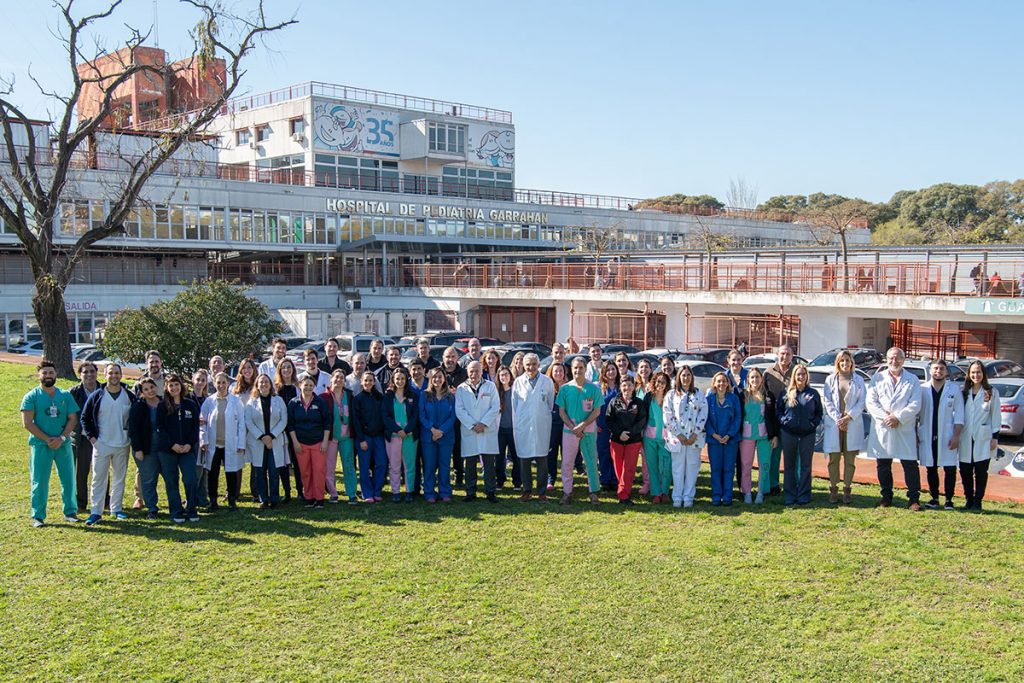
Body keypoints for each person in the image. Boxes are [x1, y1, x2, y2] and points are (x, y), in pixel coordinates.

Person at [21, 360, 82, 527]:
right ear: (39, 375)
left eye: (51, 373)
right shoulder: (31, 396)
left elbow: (73, 419)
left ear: (56, 375)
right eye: (45, 373)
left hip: (63, 444)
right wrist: (47, 439)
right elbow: (27, 423)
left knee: (68, 479)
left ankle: (70, 512)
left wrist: (62, 437)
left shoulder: (65, 395)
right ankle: (38, 516)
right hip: (41, 446)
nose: (48, 375)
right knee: (39, 481)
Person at [866, 347, 923, 510]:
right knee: (883, 463)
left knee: (910, 464)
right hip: (884, 426)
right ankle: (886, 496)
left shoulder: (912, 380)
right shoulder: (877, 378)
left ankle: (913, 499)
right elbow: (871, 402)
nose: (894, 361)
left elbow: (915, 404)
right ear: (887, 360)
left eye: (898, 358)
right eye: (891, 358)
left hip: (904, 426)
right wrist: (887, 417)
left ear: (903, 360)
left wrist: (897, 417)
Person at [80, 363, 134, 525]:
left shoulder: (129, 396)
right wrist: (93, 439)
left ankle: (116, 509)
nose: (114, 376)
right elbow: (85, 418)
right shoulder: (97, 396)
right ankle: (96, 511)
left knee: (119, 478)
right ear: (105, 375)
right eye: (110, 373)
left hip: (122, 443)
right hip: (101, 444)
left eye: (117, 373)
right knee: (98, 478)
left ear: (121, 374)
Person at [916, 360, 964, 510]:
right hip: (927, 433)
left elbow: (959, 415)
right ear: (930, 370)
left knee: (949, 467)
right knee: (931, 467)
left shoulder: (954, 389)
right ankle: (934, 498)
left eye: (942, 369)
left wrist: (956, 435)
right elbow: (916, 414)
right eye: (935, 368)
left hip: (947, 434)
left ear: (946, 372)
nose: (938, 371)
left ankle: (949, 499)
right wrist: (915, 433)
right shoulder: (922, 389)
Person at [821, 351, 867, 504]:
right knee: (833, 459)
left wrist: (848, 417)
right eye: (842, 361)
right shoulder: (830, 379)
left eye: (847, 360)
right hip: (835, 423)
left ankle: (847, 490)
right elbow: (827, 401)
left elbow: (862, 402)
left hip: (851, 423)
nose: (845, 364)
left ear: (851, 362)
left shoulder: (859, 380)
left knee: (849, 459)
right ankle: (833, 489)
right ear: (838, 363)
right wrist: (839, 419)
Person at [556, 356, 603, 505]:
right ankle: (567, 492)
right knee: (567, 462)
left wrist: (582, 425)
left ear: (585, 369)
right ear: (571, 369)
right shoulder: (565, 389)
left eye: (581, 367)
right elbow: (562, 411)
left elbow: (596, 411)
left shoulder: (593, 388)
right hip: (570, 431)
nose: (578, 370)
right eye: (575, 367)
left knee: (590, 462)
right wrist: (572, 427)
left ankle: (593, 492)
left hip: (587, 431)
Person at [155, 374, 201, 523]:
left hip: (187, 450)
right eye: (171, 385)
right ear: (167, 388)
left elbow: (195, 427)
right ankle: (176, 511)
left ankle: (192, 509)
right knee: (171, 480)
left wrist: (188, 444)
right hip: (168, 451)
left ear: (181, 386)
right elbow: (160, 428)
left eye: (176, 384)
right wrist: (172, 445)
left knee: (190, 479)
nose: (174, 388)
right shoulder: (162, 406)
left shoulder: (190, 404)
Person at [511, 353, 555, 502]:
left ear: (538, 365)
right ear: (524, 365)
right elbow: (514, 407)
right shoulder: (518, 382)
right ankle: (527, 491)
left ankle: (542, 492)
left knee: (542, 460)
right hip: (523, 426)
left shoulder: (547, 382)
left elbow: (550, 404)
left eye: (534, 364)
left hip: (541, 425)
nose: (531, 367)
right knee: (524, 460)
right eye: (528, 364)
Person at [200, 372, 247, 511]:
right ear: (214, 384)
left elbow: (241, 424)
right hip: (213, 444)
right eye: (218, 383)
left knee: (231, 472)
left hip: (230, 443)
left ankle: (232, 500)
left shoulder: (235, 401)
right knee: (212, 473)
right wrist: (204, 439)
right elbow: (202, 422)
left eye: (223, 383)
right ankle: (213, 501)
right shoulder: (209, 401)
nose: (221, 385)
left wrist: (241, 443)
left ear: (228, 384)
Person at [455, 361, 501, 503]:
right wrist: (473, 425)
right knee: (469, 464)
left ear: (482, 372)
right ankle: (470, 491)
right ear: (467, 372)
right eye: (471, 371)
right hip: (470, 430)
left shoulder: (490, 386)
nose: (474, 374)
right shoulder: (461, 389)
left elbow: (495, 406)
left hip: (486, 430)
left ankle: (490, 491)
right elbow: (459, 410)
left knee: (488, 464)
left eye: (477, 371)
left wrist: (483, 423)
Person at [777, 365, 823, 506]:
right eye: (798, 374)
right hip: (788, 433)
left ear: (807, 376)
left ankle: (803, 494)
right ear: (794, 376)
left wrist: (811, 425)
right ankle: (790, 494)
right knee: (789, 465)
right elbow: (778, 411)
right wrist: (785, 422)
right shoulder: (786, 393)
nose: (801, 377)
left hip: (807, 435)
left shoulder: (813, 394)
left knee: (805, 466)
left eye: (803, 374)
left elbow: (819, 413)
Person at [959, 360, 1000, 512]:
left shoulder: (991, 392)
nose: (976, 375)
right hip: (965, 437)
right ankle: (968, 500)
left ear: (984, 374)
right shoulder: (963, 392)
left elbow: (995, 415)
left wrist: (995, 437)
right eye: (973, 372)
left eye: (979, 372)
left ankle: (978, 502)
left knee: (981, 472)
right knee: (965, 471)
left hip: (983, 437)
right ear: (969, 375)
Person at [665, 366, 708, 508]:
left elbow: (703, 414)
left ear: (692, 377)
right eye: (683, 375)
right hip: (678, 439)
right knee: (677, 469)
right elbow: (668, 415)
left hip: (694, 438)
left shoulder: (699, 394)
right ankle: (677, 497)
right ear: (678, 377)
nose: (686, 378)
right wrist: (679, 434)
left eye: (688, 375)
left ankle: (689, 497)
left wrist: (695, 433)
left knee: (692, 467)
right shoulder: (671, 395)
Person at [287, 375, 331, 509]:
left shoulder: (320, 402)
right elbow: (290, 424)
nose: (308, 387)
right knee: (305, 471)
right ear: (300, 385)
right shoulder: (293, 403)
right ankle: (309, 497)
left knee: (318, 471)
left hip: (318, 442)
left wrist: (324, 442)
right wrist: (295, 442)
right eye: (305, 385)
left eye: (311, 385)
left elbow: (327, 423)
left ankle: (319, 498)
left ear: (314, 387)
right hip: (300, 443)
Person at [246, 373, 288, 509]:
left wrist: (271, 435)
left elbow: (284, 420)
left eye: (266, 382)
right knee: (260, 472)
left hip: (275, 440)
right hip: (258, 441)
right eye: (261, 382)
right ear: (257, 386)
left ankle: (274, 499)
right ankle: (263, 499)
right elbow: (249, 422)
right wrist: (262, 436)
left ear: (270, 385)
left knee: (274, 471)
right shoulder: (251, 402)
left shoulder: (278, 400)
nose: (263, 384)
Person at [606, 375, 646, 505]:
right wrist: (619, 433)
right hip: (617, 440)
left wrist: (630, 433)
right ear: (620, 386)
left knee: (628, 468)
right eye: (624, 385)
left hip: (633, 441)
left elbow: (642, 421)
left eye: (629, 385)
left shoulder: (638, 403)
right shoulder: (614, 402)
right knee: (619, 469)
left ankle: (623, 495)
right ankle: (623, 490)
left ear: (634, 387)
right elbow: (609, 419)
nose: (627, 388)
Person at [739, 368, 777, 505]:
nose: (755, 380)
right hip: (746, 436)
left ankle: (761, 492)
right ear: (748, 379)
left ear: (762, 379)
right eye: (752, 377)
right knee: (746, 465)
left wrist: (775, 436)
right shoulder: (743, 395)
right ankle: (747, 492)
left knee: (764, 464)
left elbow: (773, 418)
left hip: (764, 436)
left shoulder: (768, 396)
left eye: (757, 377)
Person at [420, 368, 457, 503]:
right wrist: (432, 430)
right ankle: (429, 492)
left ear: (444, 379)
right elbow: (421, 415)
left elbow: (453, 416)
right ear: (430, 379)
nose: (437, 380)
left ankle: (445, 491)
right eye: (434, 377)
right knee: (429, 466)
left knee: (444, 466)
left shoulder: (450, 396)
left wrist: (441, 431)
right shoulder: (424, 395)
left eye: (440, 377)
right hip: (428, 436)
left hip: (446, 436)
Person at [127, 378, 163, 519]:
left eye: (152, 387)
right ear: (142, 393)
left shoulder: (164, 403)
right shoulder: (138, 406)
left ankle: (175, 505)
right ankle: (152, 508)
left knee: (170, 476)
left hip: (164, 446)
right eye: (146, 389)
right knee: (148, 479)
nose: (150, 391)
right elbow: (133, 429)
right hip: (146, 447)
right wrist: (138, 449)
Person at [763, 344, 796, 495]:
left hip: (791, 419)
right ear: (777, 355)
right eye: (782, 353)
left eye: (788, 354)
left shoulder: (796, 372)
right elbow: (762, 394)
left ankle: (792, 485)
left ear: (792, 356)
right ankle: (773, 484)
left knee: (791, 456)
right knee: (774, 455)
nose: (784, 357)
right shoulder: (768, 373)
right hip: (773, 420)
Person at [69, 361, 102, 512]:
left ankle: (105, 501)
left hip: (102, 437)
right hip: (81, 438)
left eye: (92, 371)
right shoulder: (73, 393)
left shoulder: (104, 389)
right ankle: (81, 503)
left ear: (96, 373)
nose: (89, 375)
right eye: (85, 372)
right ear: (80, 375)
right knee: (81, 472)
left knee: (102, 471)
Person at [382, 366, 419, 502]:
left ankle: (409, 491)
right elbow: (385, 416)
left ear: (406, 380)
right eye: (397, 378)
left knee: (409, 465)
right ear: (393, 379)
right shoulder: (387, 396)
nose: (400, 381)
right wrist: (398, 430)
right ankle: (396, 492)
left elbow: (415, 415)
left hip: (409, 436)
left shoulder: (413, 396)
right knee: (394, 465)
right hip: (393, 437)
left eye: (403, 378)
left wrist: (407, 430)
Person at [321, 369, 357, 504]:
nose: (339, 380)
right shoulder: (324, 397)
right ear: (331, 379)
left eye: (342, 377)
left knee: (349, 465)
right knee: (329, 467)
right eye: (336, 377)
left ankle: (352, 494)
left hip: (347, 436)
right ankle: (333, 493)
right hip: (331, 437)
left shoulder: (349, 395)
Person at [706, 372, 742, 506]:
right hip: (714, 440)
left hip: (730, 440)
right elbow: (706, 419)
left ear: (728, 383)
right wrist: (714, 434)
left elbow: (738, 418)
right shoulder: (709, 399)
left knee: (728, 469)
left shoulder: (733, 399)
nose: (721, 384)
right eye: (718, 381)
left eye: (724, 381)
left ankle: (727, 496)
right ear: (714, 383)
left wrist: (729, 434)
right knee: (715, 468)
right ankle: (716, 496)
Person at [352, 371, 388, 502]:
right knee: (364, 466)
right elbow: (356, 421)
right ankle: (367, 493)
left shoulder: (380, 398)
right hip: (364, 438)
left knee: (381, 463)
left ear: (374, 382)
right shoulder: (357, 399)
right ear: (361, 382)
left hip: (379, 437)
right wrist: (361, 439)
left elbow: (384, 417)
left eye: (370, 380)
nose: (368, 383)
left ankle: (377, 490)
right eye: (365, 380)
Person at [643, 372, 672, 504]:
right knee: (652, 465)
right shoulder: (649, 397)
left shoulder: (670, 397)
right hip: (649, 437)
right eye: (658, 381)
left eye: (663, 382)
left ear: (667, 384)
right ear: (654, 382)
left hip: (666, 437)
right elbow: (643, 416)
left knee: (666, 466)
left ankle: (665, 491)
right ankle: (656, 493)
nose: (660, 384)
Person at [441, 346, 469, 486]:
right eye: (447, 357)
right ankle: (441, 476)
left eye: (453, 357)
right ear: (443, 358)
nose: (450, 359)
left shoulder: (464, 374)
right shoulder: (437, 372)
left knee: (458, 448)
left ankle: (459, 476)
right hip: (441, 417)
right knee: (441, 448)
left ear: (457, 358)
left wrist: (459, 393)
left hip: (459, 418)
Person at [274, 358, 301, 502]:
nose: (286, 370)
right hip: (280, 430)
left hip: (296, 429)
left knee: (297, 461)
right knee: (283, 462)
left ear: (293, 369)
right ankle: (287, 492)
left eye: (289, 367)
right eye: (283, 367)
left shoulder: (298, 387)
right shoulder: (276, 388)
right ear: (279, 370)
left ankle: (300, 491)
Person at [233, 358, 258, 500]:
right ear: (241, 371)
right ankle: (234, 492)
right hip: (238, 429)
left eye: (250, 367)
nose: (247, 370)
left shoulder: (258, 386)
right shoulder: (234, 388)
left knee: (255, 461)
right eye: (244, 368)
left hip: (254, 428)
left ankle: (256, 491)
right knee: (237, 460)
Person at [188, 368, 212, 509]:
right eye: (198, 379)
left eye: (203, 380)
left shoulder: (208, 399)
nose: (200, 382)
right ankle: (192, 498)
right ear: (193, 380)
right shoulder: (188, 398)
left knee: (204, 470)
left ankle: (202, 498)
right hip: (193, 438)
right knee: (196, 470)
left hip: (207, 437)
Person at [597, 361, 621, 492]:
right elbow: (593, 408)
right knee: (604, 453)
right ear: (604, 372)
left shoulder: (621, 387)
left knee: (616, 454)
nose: (611, 372)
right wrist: (595, 424)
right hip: (602, 426)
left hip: (617, 427)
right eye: (608, 370)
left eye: (613, 369)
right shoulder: (599, 388)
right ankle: (605, 479)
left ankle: (616, 479)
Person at [545, 361, 568, 491]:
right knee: (551, 453)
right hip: (552, 425)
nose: (558, 373)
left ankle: (566, 480)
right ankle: (551, 479)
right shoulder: (548, 386)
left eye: (560, 371)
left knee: (566, 454)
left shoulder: (569, 387)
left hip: (566, 425)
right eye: (556, 371)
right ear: (551, 373)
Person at [495, 365, 518, 489]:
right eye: (502, 375)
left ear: (510, 375)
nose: (504, 377)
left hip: (513, 429)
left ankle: (517, 481)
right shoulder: (495, 392)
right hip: (500, 430)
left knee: (516, 456)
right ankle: (500, 480)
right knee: (499, 457)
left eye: (506, 374)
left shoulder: (516, 390)